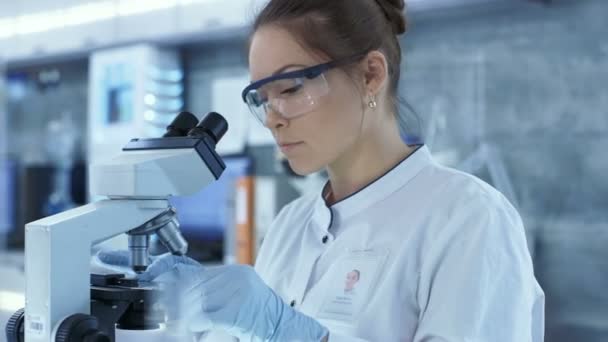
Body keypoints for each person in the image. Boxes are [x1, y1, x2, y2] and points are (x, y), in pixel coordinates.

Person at [100, 0, 545, 341]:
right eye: (261, 97)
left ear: (371, 75)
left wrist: (296, 334)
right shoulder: (291, 226)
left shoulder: (468, 218)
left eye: (291, 87)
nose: (273, 117)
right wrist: (196, 316)